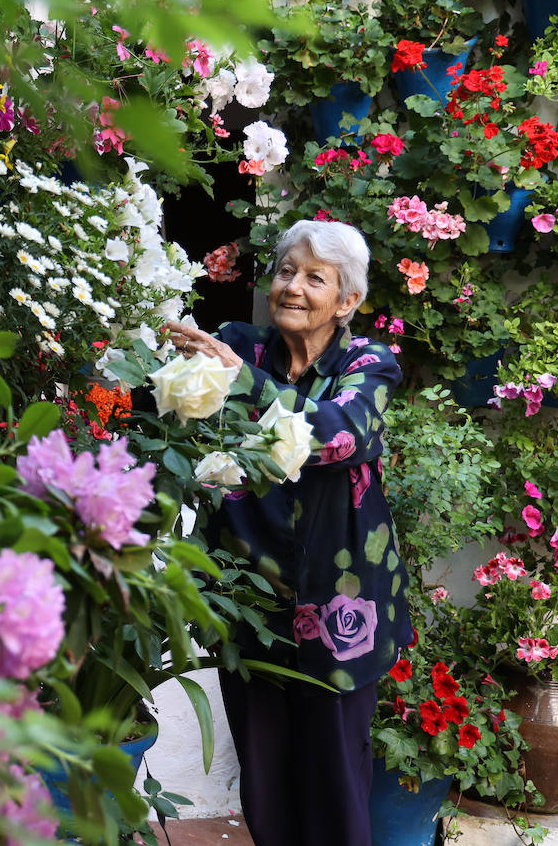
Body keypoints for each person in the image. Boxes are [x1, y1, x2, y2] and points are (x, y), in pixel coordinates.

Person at [167, 219, 413, 846]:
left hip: (342, 601)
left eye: (314, 278)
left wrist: (241, 384)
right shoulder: (238, 344)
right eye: (284, 272)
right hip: (248, 596)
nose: (293, 287)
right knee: (266, 774)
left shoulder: (369, 364)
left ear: (346, 301)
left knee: (333, 774)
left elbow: (339, 435)